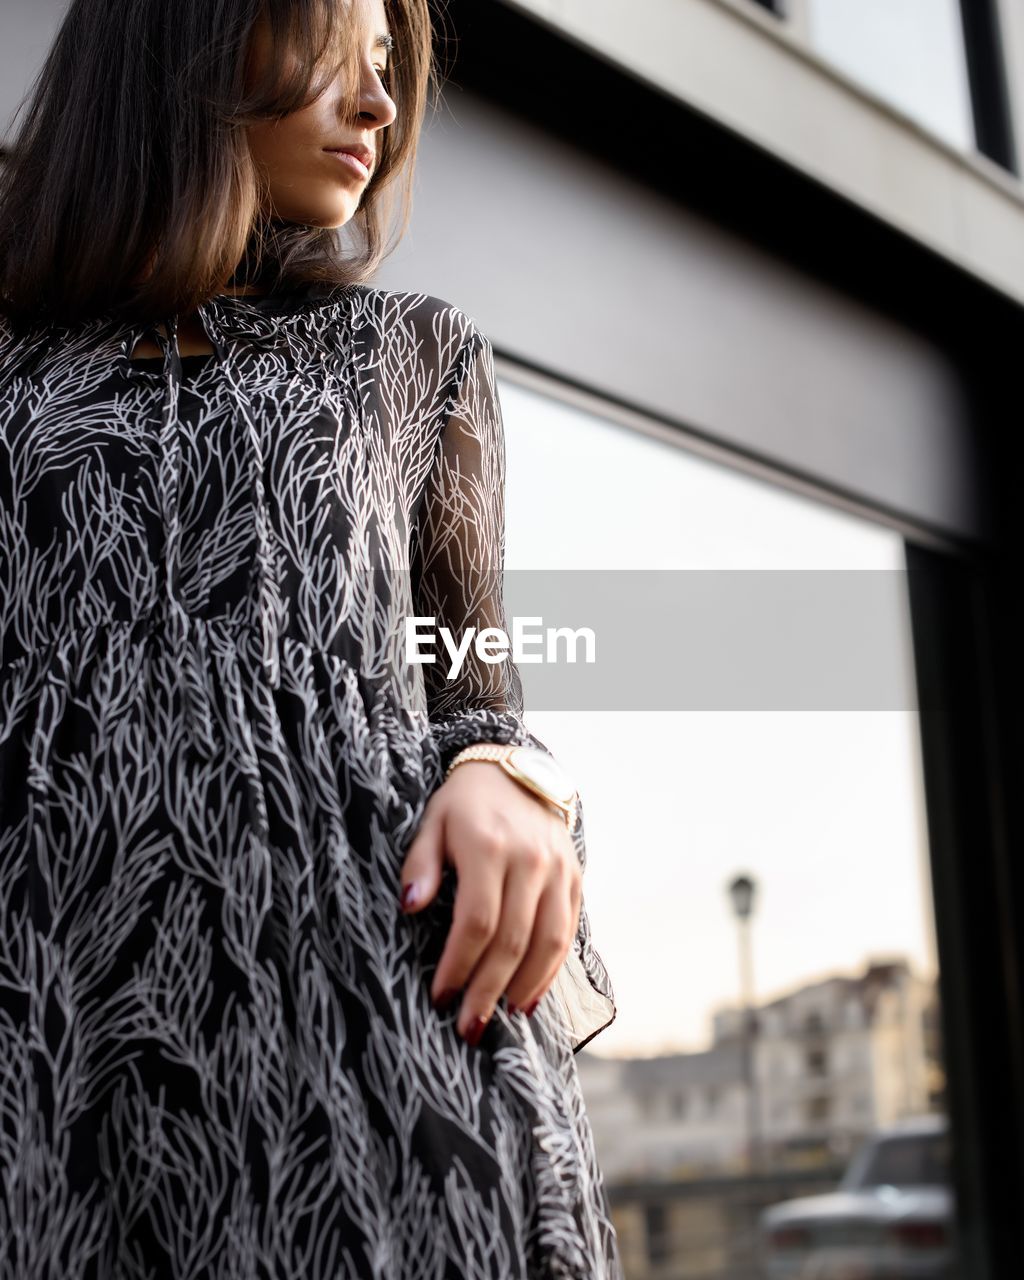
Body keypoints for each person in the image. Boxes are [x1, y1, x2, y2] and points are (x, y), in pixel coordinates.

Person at [0, 0, 620, 1275]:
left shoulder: (407, 353)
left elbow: (476, 690)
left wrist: (512, 778)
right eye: (336, 53)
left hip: (384, 1043)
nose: (381, 109)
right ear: (181, 41)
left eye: (389, 72)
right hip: (57, 1048)